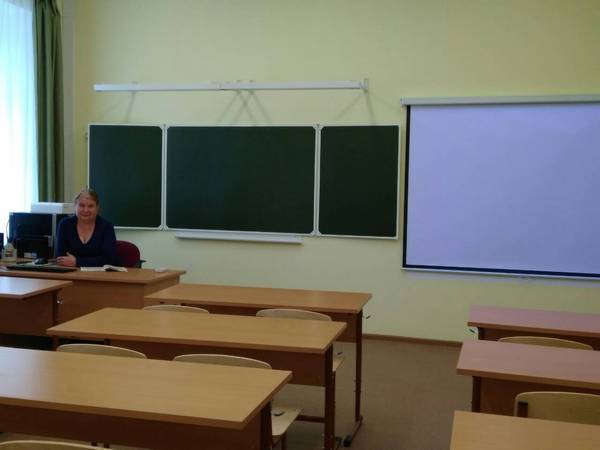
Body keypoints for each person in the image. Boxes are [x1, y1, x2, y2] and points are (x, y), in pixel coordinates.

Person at [55, 188, 121, 267]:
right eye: (81, 205)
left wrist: (77, 262)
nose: (86, 210)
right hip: (71, 273)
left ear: (97, 208)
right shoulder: (65, 225)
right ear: (75, 206)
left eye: (90, 206)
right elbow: (61, 258)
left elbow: (110, 260)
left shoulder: (106, 227)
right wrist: (94, 261)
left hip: (100, 274)